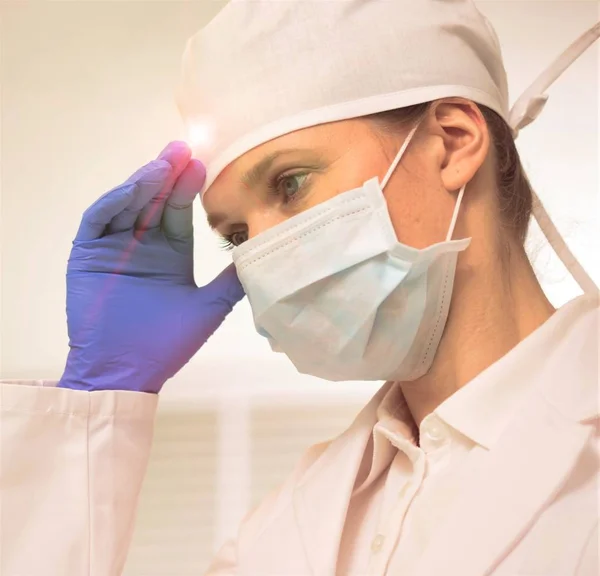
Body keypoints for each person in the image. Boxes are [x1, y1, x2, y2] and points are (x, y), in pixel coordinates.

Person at [1, 1, 598, 575]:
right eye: (236, 235)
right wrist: (100, 399)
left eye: (290, 185)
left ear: (452, 141)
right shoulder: (282, 533)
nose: (263, 255)